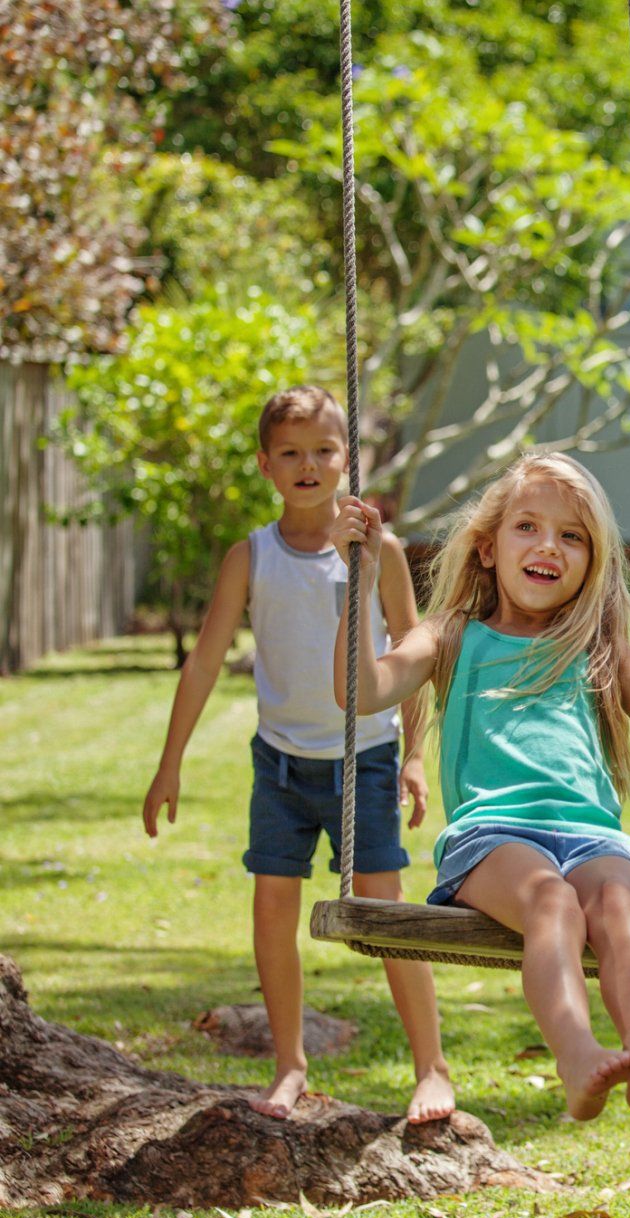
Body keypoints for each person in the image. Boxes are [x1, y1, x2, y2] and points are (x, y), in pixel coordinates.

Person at [330, 452, 630, 1121]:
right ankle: (577, 1059)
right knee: (553, 904)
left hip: (593, 837)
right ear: (486, 547)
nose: (549, 547)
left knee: (620, 910)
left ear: (592, 562)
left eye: (572, 537)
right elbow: (360, 691)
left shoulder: (598, 645)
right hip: (492, 839)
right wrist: (358, 584)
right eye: (527, 528)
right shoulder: (454, 635)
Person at [142, 386, 453, 1124]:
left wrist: (414, 756)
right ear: (265, 465)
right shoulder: (250, 557)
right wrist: (170, 761)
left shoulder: (381, 550)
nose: (308, 465)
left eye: (323, 450)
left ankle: (432, 1066)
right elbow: (204, 663)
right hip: (281, 765)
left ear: (347, 459)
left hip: (365, 760)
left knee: (386, 913)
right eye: (290, 453)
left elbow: (414, 653)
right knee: (272, 905)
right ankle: (289, 1063)